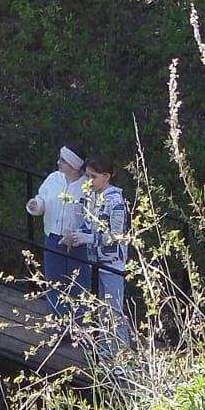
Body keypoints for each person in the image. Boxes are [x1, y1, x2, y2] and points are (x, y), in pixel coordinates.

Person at [26, 145, 88, 315]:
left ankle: (79, 329)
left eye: (63, 161)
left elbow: (90, 217)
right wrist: (35, 205)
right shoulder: (54, 179)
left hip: (76, 242)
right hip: (53, 238)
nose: (58, 163)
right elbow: (42, 200)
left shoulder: (86, 186)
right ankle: (57, 327)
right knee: (54, 284)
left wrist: (79, 233)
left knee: (78, 286)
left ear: (74, 166)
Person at [81, 154, 131, 350]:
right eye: (87, 176)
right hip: (95, 262)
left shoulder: (116, 201)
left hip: (111, 264)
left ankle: (122, 360)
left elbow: (116, 236)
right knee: (101, 310)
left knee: (113, 312)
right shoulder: (92, 196)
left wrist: (89, 238)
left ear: (107, 176)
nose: (89, 181)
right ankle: (105, 352)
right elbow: (89, 224)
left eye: (93, 177)